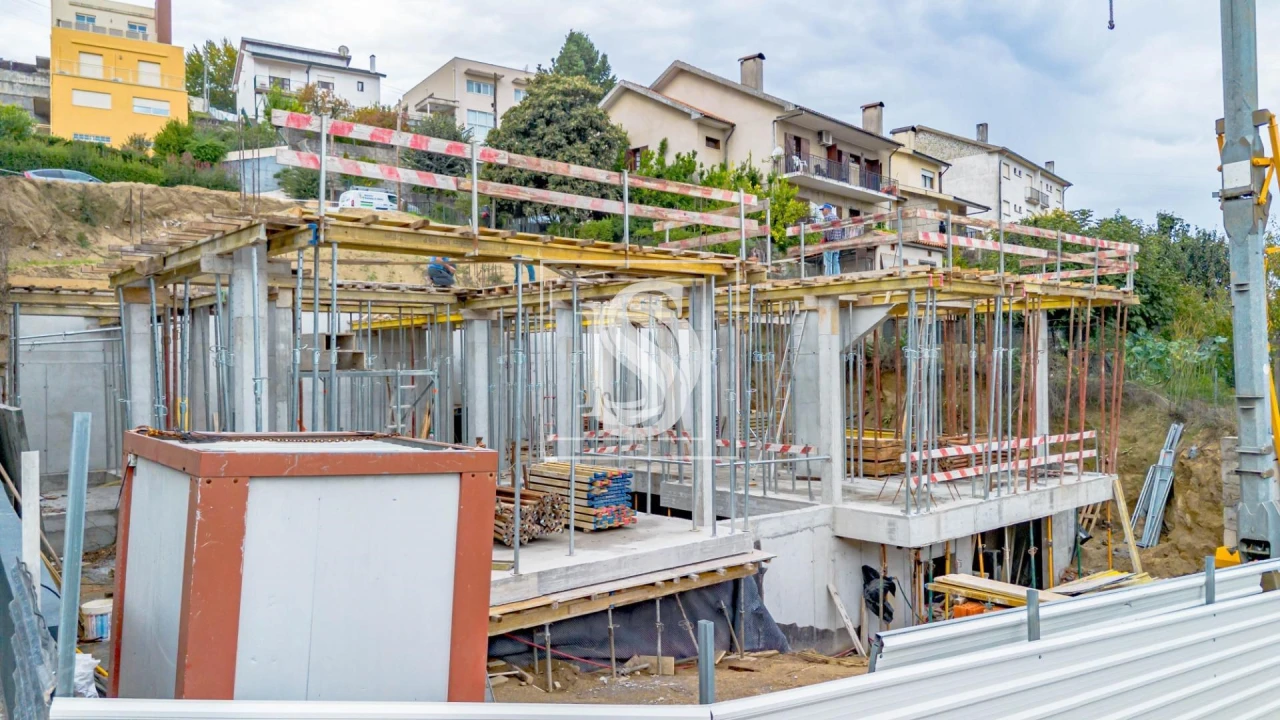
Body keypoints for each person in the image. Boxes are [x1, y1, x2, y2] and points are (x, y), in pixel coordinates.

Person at [820, 204, 843, 276]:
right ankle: (837, 275)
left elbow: (826, 230)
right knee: (836, 260)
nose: (822, 212)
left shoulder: (827, 217)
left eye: (822, 210)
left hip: (830, 242)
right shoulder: (837, 218)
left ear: (827, 209)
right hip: (838, 242)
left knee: (828, 261)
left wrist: (823, 239)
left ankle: (828, 276)